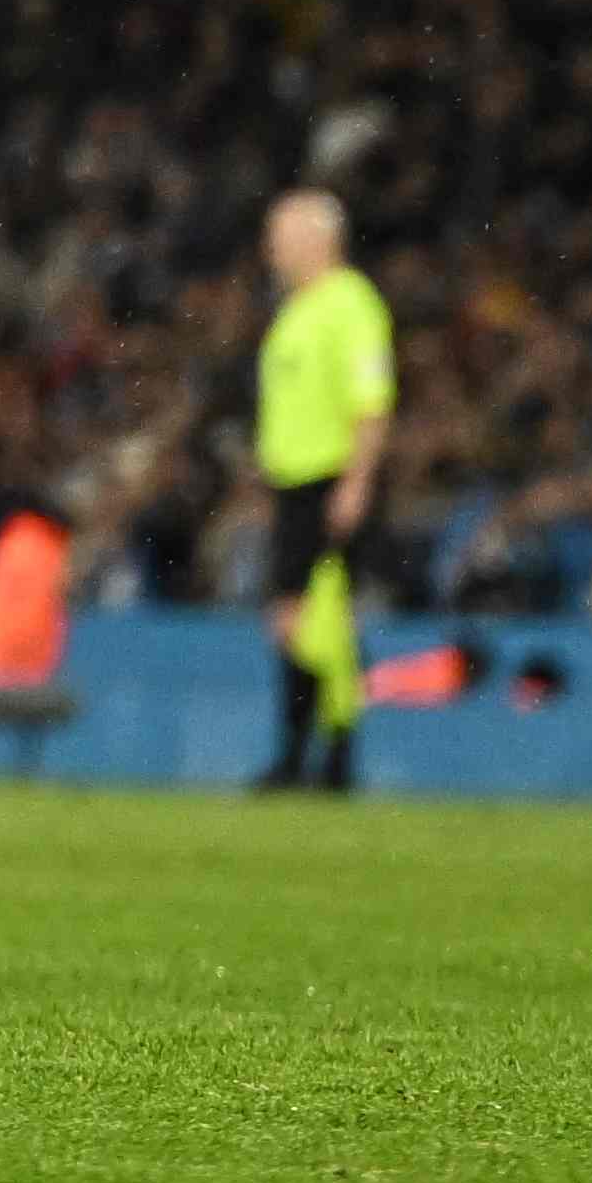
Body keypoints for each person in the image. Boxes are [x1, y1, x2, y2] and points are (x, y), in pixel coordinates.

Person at [251, 182, 399, 794]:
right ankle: (308, 757)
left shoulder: (352, 305)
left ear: (317, 238)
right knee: (298, 622)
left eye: (280, 236)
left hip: (331, 478)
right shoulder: (298, 309)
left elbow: (372, 402)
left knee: (320, 622)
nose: (271, 249)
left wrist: (357, 482)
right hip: (295, 482)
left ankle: (326, 759)